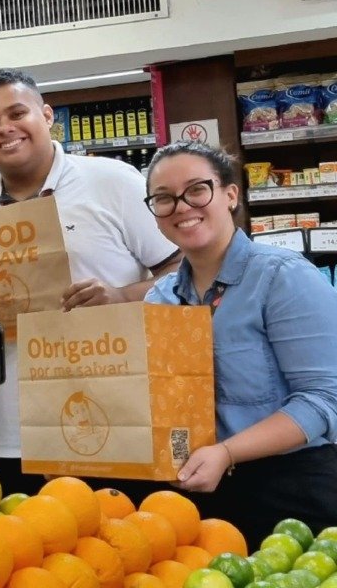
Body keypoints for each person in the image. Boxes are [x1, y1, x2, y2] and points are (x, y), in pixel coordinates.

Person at [0, 68, 180, 495]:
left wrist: (121, 296)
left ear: (47, 116)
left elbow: (182, 273)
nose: (5, 128)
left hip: (121, 418)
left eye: (17, 113)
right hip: (19, 435)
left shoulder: (113, 182)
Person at [143, 141, 337, 543]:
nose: (181, 206)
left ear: (230, 194)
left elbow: (324, 398)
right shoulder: (159, 299)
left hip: (292, 487)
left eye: (197, 189)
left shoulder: (282, 277)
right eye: (163, 198)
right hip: (195, 487)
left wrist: (228, 453)